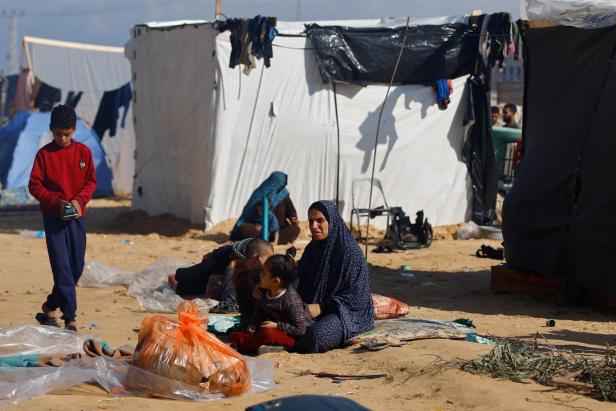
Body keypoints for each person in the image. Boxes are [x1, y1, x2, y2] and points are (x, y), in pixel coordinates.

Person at [28, 105, 97, 331]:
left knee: (76, 267)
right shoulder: (44, 155)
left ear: (74, 130)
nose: (63, 138)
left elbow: (90, 182)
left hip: (76, 217)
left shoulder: (84, 153)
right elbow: (34, 186)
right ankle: (70, 318)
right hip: (53, 218)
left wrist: (78, 201)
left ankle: (50, 306)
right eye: (58, 134)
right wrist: (57, 203)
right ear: (51, 130)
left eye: (67, 133)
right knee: (62, 267)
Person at [292, 200, 374, 353]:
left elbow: (358, 297)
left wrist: (323, 307)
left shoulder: (349, 252)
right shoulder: (312, 249)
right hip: (311, 308)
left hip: (345, 314)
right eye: (311, 221)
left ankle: (286, 345)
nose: (314, 226)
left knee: (318, 336)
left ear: (332, 221)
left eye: (320, 221)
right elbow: (299, 280)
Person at [230, 254, 312, 354]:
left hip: (288, 336)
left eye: (264, 273)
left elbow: (300, 329)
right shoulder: (264, 291)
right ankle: (261, 346)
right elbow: (259, 311)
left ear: (276, 281)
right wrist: (253, 324)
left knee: (267, 334)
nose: (260, 275)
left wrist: (277, 326)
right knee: (242, 332)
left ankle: (244, 344)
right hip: (267, 329)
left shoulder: (291, 300)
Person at [168, 238, 273, 305]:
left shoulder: (261, 266)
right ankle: (176, 277)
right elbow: (227, 300)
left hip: (222, 268)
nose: (270, 263)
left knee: (192, 288)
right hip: (217, 263)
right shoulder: (231, 259)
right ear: (256, 258)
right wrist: (231, 268)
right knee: (187, 276)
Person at [230, 171, 300, 244]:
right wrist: (257, 225)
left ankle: (270, 240)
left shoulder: (283, 195)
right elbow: (248, 214)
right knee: (244, 229)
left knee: (295, 229)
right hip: (258, 230)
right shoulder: (259, 194)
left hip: (277, 231)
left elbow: (291, 212)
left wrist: (294, 219)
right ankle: (264, 240)